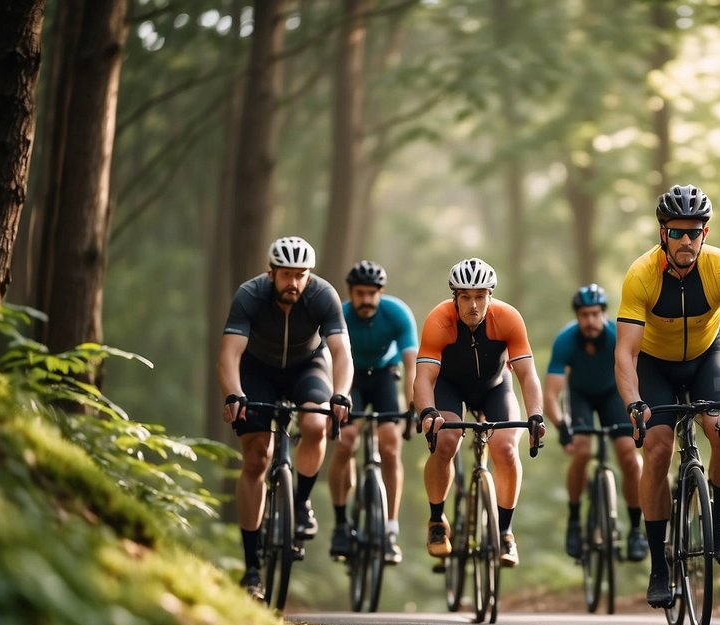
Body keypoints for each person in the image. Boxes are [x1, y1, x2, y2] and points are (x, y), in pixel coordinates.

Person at [615, 184, 720, 609]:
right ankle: (660, 566)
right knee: (658, 448)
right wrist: (634, 403)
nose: (686, 240)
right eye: (677, 232)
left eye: (694, 232)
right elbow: (625, 352)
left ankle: (717, 524)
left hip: (705, 356)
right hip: (655, 364)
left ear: (706, 233)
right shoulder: (641, 275)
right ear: (662, 233)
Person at [219, 235, 353, 596]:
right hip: (257, 371)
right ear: (271, 272)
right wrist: (234, 393)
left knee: (315, 423)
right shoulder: (250, 295)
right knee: (256, 458)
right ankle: (251, 569)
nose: (293, 283)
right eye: (286, 275)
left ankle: (301, 502)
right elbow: (230, 354)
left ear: (309, 275)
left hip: (307, 367)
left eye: (300, 275)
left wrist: (341, 394)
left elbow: (341, 352)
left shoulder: (322, 295)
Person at [413, 258, 545, 567]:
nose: (473, 304)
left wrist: (536, 415)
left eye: (480, 296)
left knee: (506, 448)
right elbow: (423, 378)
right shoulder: (439, 320)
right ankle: (436, 521)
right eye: (466, 297)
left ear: (490, 296)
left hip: (495, 386)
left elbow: (527, 374)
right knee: (447, 440)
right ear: (454, 297)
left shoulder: (508, 318)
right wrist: (428, 413)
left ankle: (506, 532)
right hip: (450, 387)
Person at [545, 284, 647, 563]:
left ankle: (636, 530)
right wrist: (562, 427)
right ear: (577, 316)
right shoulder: (566, 340)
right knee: (582, 452)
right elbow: (551, 395)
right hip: (580, 397)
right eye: (584, 315)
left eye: (595, 314)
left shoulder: (617, 336)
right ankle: (575, 521)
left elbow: (636, 376)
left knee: (630, 457)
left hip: (613, 394)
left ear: (603, 313)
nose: (590, 321)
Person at [327, 260, 418, 564]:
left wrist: (414, 407)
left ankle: (390, 530)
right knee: (346, 440)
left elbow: (411, 364)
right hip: (350, 377)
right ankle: (341, 523)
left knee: (390, 446)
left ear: (381, 293)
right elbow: (327, 363)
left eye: (372, 294)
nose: (366, 300)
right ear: (350, 293)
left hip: (383, 376)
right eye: (360, 293)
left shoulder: (397, 314)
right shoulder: (338, 314)